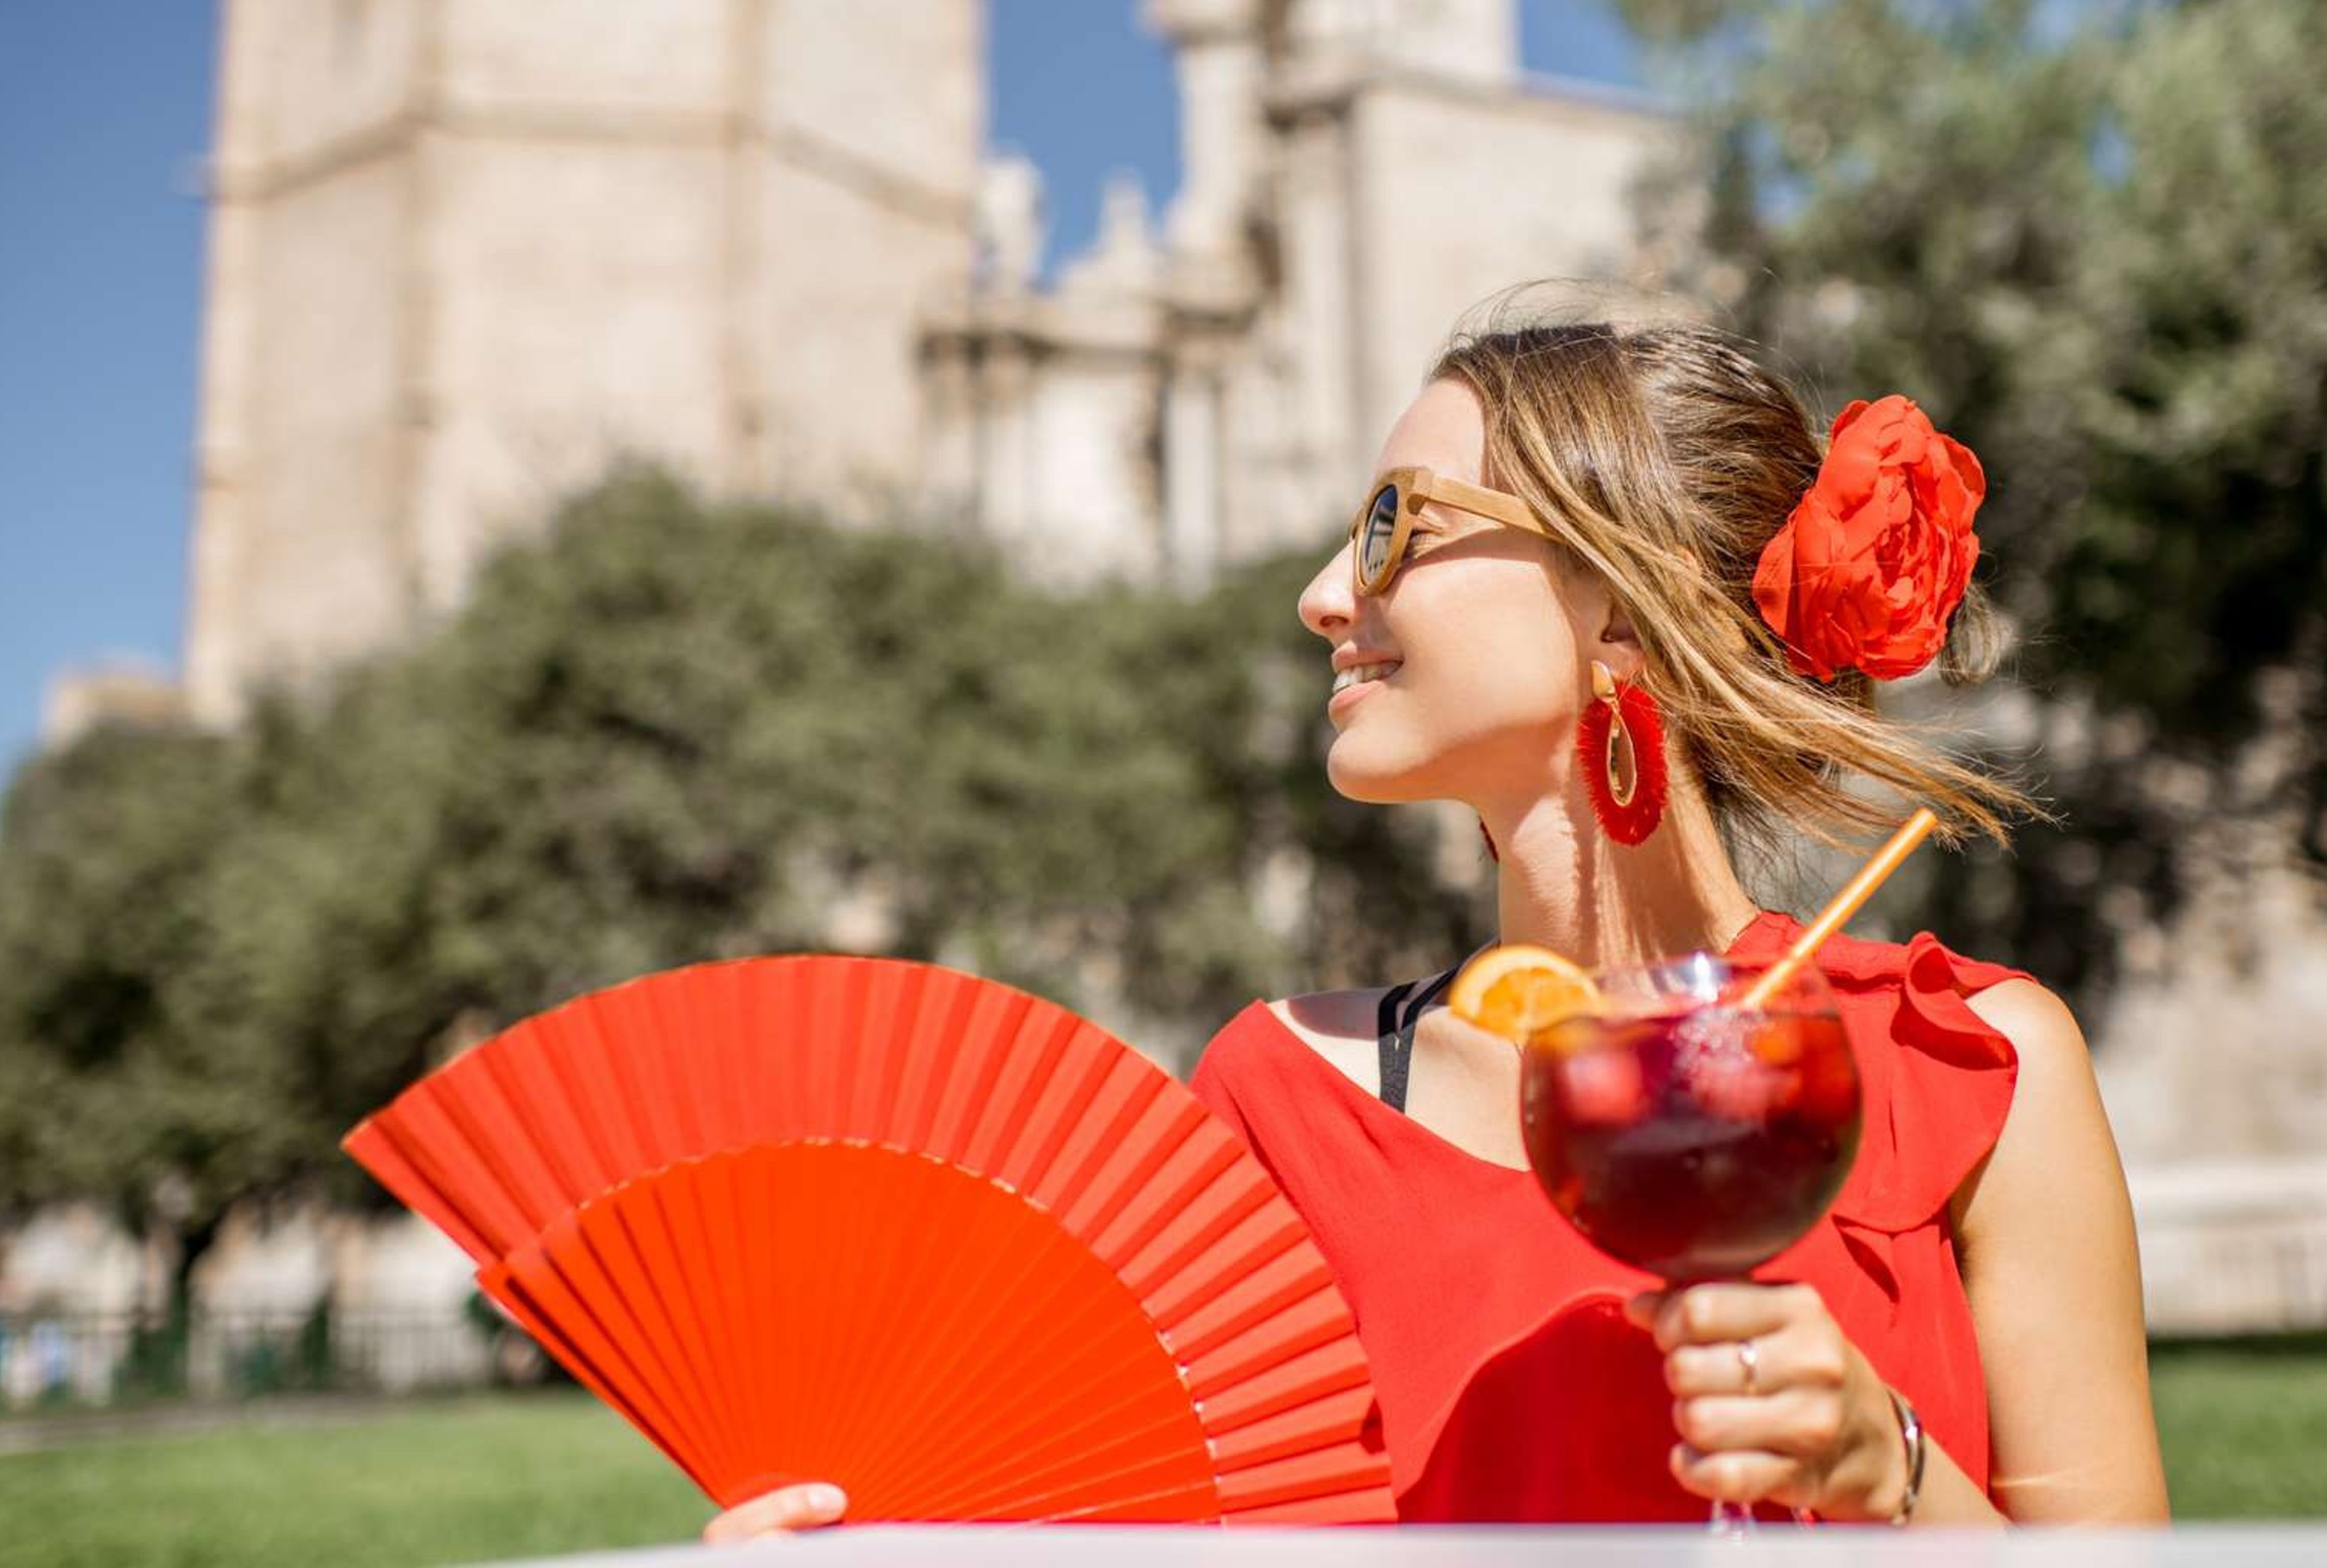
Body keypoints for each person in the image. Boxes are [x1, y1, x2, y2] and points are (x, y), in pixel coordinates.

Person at [707, 297, 2167, 1538]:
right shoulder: (1284, 1105)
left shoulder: (1974, 1067)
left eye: (1397, 524)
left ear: (1619, 600)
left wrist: (1890, 1471)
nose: (1324, 595)